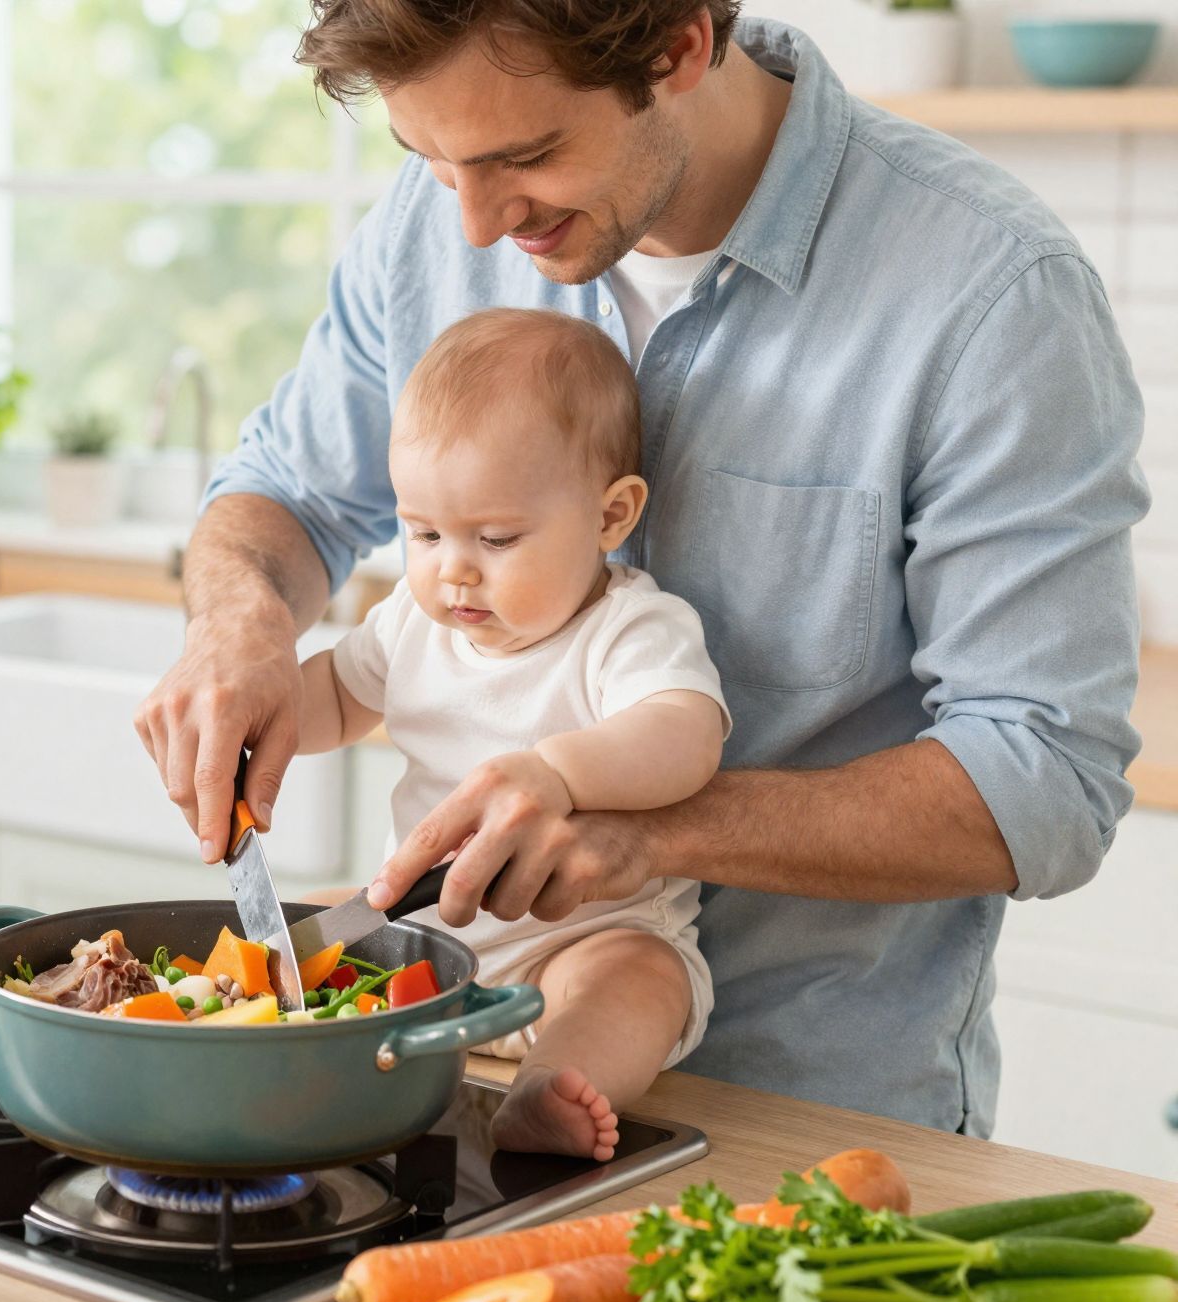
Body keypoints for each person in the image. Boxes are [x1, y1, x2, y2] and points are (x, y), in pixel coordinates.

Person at [134, 3, 1147, 1134]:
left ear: (676, 47)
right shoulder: (440, 216)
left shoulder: (988, 291)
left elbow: (1042, 778)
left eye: (524, 156)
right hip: (445, 1095)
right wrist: (236, 626)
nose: (469, 225)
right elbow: (287, 492)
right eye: (426, 159)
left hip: (813, 1124)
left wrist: (643, 830)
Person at [299, 307, 727, 1158]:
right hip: (414, 941)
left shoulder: (628, 629)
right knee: (287, 925)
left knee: (639, 981)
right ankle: (253, 1046)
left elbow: (686, 734)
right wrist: (263, 711)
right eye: (422, 532)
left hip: (572, 943)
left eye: (494, 538)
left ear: (612, 517)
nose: (452, 568)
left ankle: (546, 1094)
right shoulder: (412, 624)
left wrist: (557, 773)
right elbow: (337, 700)